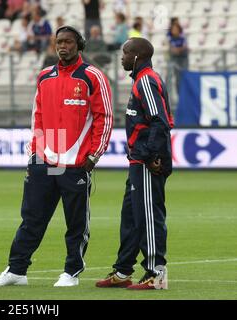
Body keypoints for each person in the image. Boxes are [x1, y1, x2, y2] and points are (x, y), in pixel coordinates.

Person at [0, 25, 113, 287]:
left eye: (68, 42)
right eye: (59, 42)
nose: (62, 46)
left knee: (75, 222)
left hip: (76, 161)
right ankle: (17, 270)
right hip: (44, 160)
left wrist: (94, 155)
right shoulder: (45, 76)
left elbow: (105, 117)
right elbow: (38, 117)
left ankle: (71, 272)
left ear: (79, 45)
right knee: (32, 218)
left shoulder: (92, 76)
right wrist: (34, 152)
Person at [96, 37, 173, 290]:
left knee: (148, 217)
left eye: (125, 52)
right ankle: (122, 270)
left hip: (147, 161)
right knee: (130, 216)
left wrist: (152, 155)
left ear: (137, 57)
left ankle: (155, 273)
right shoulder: (141, 80)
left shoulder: (147, 81)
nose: (122, 57)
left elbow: (159, 121)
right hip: (138, 159)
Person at [167, 23, 188, 93]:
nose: (174, 31)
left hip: (183, 62)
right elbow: (173, 50)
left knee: (183, 78)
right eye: (173, 29)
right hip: (174, 62)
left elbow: (185, 47)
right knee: (176, 80)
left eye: (176, 29)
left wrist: (178, 49)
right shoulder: (170, 39)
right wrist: (179, 49)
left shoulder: (183, 38)